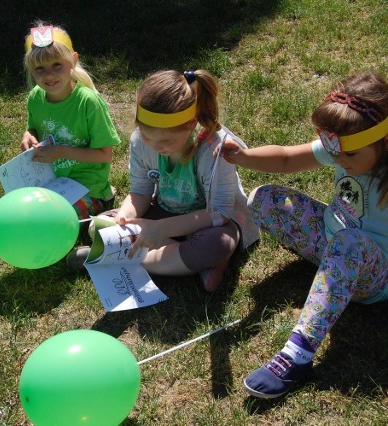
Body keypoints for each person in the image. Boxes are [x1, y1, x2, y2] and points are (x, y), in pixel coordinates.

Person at [219, 72, 388, 399]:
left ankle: (298, 353)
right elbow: (289, 158)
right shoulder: (344, 146)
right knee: (264, 199)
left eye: (348, 157)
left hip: (377, 275)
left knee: (350, 244)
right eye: (334, 154)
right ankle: (331, 275)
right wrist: (243, 157)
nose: (339, 162)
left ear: (387, 142)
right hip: (334, 241)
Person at [68, 69, 259, 292]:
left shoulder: (215, 150)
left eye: (166, 140)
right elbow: (140, 192)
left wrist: (159, 228)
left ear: (191, 123)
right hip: (168, 210)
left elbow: (220, 213)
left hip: (213, 221)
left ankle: (115, 256)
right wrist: (126, 216)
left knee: (217, 244)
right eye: (147, 136)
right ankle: (187, 261)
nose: (155, 146)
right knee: (100, 224)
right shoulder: (141, 141)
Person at [21, 22, 121, 219]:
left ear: (73, 60)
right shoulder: (35, 97)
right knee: (24, 213)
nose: (49, 74)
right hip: (50, 180)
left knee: (54, 219)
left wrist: (62, 152)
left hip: (87, 187)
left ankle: (104, 197)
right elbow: (32, 127)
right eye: (39, 68)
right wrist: (28, 135)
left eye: (57, 65)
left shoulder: (88, 102)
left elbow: (104, 155)